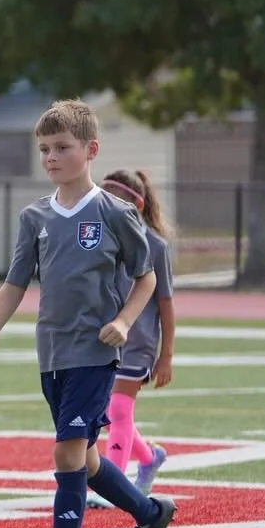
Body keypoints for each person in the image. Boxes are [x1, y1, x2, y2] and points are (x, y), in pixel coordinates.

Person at [0, 99, 176, 528]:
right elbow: (16, 282)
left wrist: (123, 322)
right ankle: (150, 514)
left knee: (65, 453)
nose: (51, 157)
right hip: (52, 355)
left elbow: (147, 278)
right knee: (84, 461)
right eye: (44, 149)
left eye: (62, 147)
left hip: (94, 356)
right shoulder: (35, 216)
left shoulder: (114, 213)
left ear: (91, 150)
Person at [88, 169, 175, 508]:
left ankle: (113, 486)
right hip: (105, 342)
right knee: (110, 414)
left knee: (119, 409)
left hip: (139, 345)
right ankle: (150, 457)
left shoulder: (156, 246)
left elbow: (166, 305)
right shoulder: (100, 242)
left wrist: (166, 356)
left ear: (136, 205)